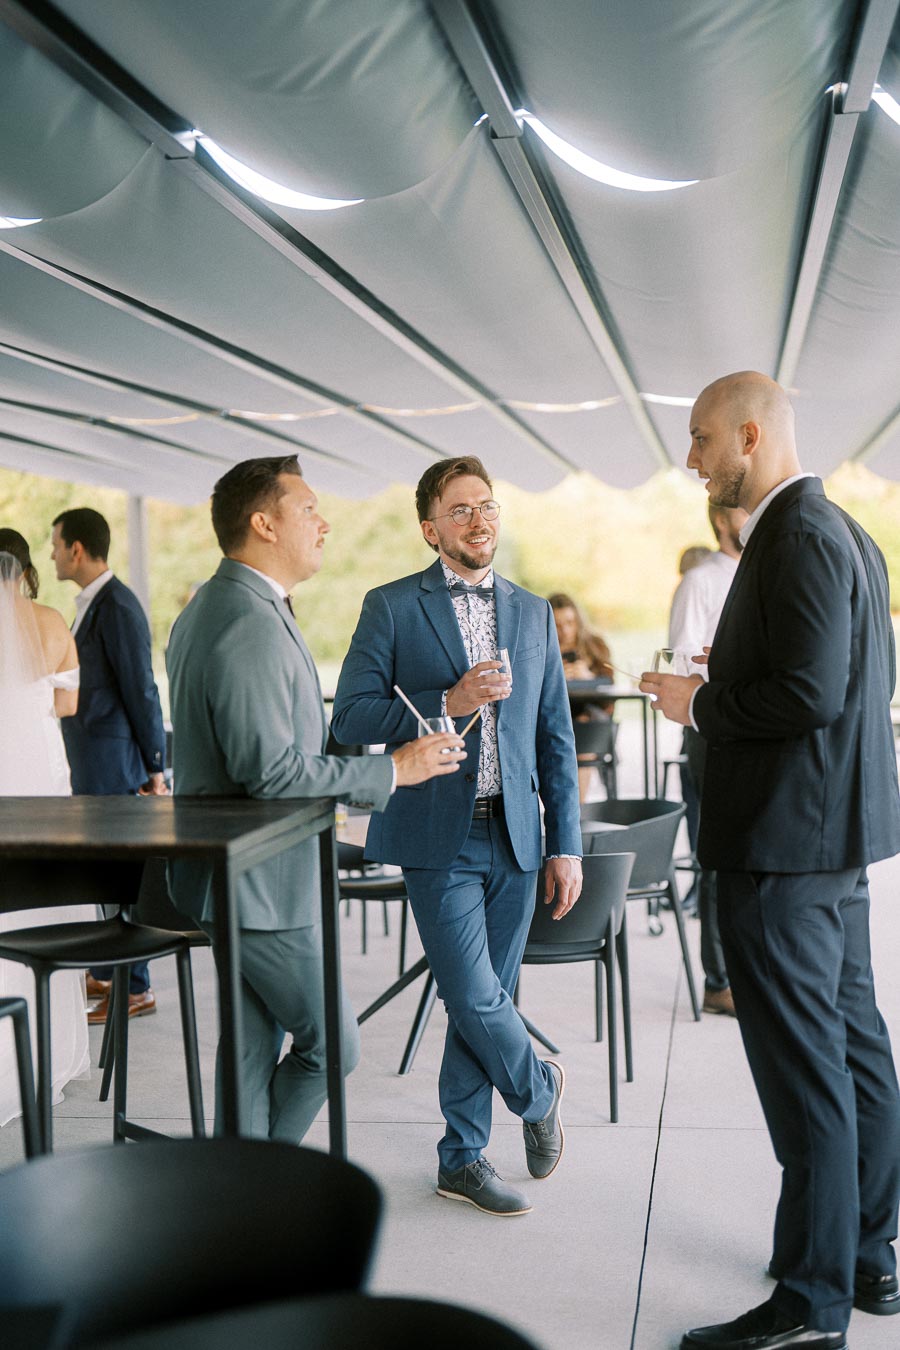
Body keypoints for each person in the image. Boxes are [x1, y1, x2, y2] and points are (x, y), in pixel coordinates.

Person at [641, 371, 900, 1350]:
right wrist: (726, 680)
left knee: (808, 1082)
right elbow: (828, 684)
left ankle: (809, 1304)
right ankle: (867, 1254)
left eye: (704, 438)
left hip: (782, 852)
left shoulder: (794, 536)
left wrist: (698, 705)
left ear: (751, 435)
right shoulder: (847, 534)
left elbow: (809, 695)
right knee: (857, 1054)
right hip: (830, 845)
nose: (694, 459)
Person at [166, 455, 463, 1143]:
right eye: (308, 509)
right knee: (334, 1047)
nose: (324, 523)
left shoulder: (225, 605)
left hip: (238, 879)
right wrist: (393, 771)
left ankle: (239, 1206)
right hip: (263, 886)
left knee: (246, 1053)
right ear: (263, 523)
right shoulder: (244, 619)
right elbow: (269, 770)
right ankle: (261, 1190)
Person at [332, 455, 582, 1217]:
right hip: (436, 833)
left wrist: (565, 842)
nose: (480, 520)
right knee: (473, 993)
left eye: (488, 505)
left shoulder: (534, 613)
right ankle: (538, 1090)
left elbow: (554, 738)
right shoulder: (391, 605)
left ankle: (461, 1159)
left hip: (515, 835)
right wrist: (449, 698)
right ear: (430, 527)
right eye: (462, 509)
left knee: (490, 997)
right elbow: (348, 717)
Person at [51, 507, 167, 1023]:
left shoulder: (117, 605)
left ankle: (136, 987)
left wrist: (155, 764)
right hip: (95, 759)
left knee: (122, 875)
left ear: (76, 548)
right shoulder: (94, 603)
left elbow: (141, 688)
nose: (52, 553)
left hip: (114, 761)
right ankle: (112, 970)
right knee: (105, 873)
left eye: (55, 544)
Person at [0, 529, 89, 1128]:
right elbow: (67, 707)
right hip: (40, 778)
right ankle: (45, 1057)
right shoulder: (52, 620)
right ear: (25, 569)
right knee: (45, 914)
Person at [667, 504, 747, 1017]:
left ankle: (746, 970)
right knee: (716, 859)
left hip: (753, 736)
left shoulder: (765, 571)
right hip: (711, 733)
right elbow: (679, 660)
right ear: (722, 519)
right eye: (744, 509)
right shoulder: (700, 580)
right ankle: (719, 983)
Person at [549, 592, 615, 800]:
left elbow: (610, 687)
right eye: (557, 625)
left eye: (569, 622)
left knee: (584, 732)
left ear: (578, 621)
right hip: (556, 716)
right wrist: (557, 676)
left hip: (590, 717)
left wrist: (588, 677)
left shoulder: (595, 646)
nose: (564, 631)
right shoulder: (543, 647)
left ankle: (578, 809)